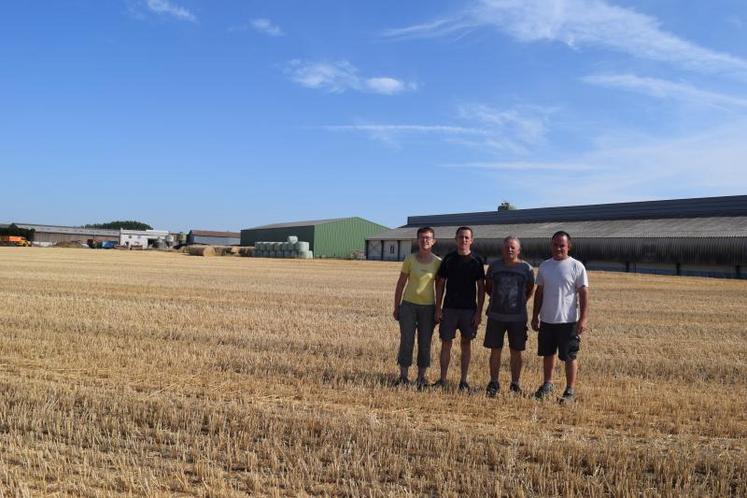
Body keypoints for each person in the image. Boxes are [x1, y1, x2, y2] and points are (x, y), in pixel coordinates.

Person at [531, 231, 589, 403]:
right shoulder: (545, 266)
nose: (558, 248)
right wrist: (535, 316)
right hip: (547, 320)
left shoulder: (577, 266)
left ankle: (570, 390)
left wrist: (583, 318)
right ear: (551, 246)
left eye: (562, 245)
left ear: (568, 246)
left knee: (569, 356)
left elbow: (584, 293)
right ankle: (547, 384)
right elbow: (539, 293)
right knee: (548, 354)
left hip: (568, 321)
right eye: (555, 245)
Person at [433, 226, 485, 392]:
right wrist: (438, 308)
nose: (463, 240)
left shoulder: (477, 260)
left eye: (466, 237)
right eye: (461, 237)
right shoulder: (448, 259)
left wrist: (478, 313)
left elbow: (481, 289)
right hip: (449, 309)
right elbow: (440, 284)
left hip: (469, 310)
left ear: (471, 240)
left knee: (466, 344)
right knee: (446, 343)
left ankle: (463, 381)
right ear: (455, 239)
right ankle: (442, 379)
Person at [483, 236, 535, 397]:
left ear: (519, 250)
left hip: (518, 318)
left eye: (513, 247)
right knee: (495, 351)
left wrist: (519, 303)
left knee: (516, 352)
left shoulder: (527, 269)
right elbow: (489, 287)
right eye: (507, 247)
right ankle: (493, 382)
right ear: (502, 249)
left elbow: (530, 289)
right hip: (496, 317)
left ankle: (515, 384)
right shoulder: (494, 267)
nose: (509, 250)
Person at [393, 227, 441, 389]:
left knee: (425, 342)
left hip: (428, 308)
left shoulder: (438, 262)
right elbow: (400, 284)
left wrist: (438, 309)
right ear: (417, 240)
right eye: (422, 238)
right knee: (406, 340)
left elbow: (440, 288)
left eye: (428, 238)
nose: (425, 240)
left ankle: (421, 377)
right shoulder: (410, 260)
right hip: (408, 306)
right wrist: (397, 306)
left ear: (433, 241)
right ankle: (403, 376)